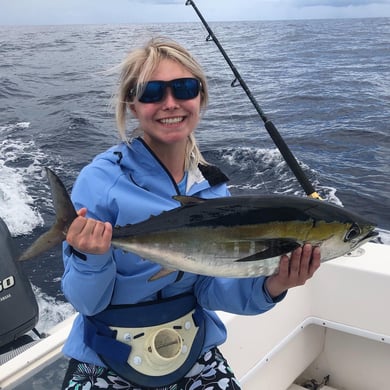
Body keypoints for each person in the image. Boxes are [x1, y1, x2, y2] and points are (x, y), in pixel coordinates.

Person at [61, 37, 321, 390]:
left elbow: (211, 289)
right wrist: (89, 258)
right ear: (133, 105)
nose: (170, 103)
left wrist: (273, 284)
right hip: (108, 355)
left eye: (184, 88)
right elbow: (86, 301)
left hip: (193, 350)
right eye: (152, 92)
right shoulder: (101, 180)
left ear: (200, 97)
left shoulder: (213, 188)